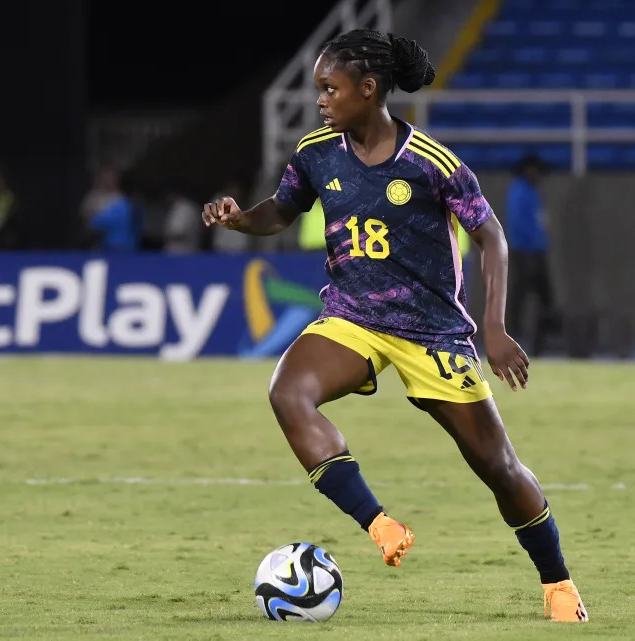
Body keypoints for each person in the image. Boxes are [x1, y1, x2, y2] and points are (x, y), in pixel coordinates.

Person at [202, 29, 588, 623]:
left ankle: (558, 583)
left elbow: (491, 236)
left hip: (431, 331)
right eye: (318, 91)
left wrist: (493, 327)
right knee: (288, 392)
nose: (321, 101)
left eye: (330, 89)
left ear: (369, 88)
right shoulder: (316, 151)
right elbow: (280, 210)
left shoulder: (431, 163)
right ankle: (379, 523)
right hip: (354, 315)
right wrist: (239, 219)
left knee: (498, 466)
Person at [505, 154, 557, 356]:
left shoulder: (531, 191)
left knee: (541, 294)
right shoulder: (520, 191)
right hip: (526, 250)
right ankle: (516, 334)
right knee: (523, 294)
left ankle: (542, 337)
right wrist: (532, 243)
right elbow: (519, 223)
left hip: (535, 249)